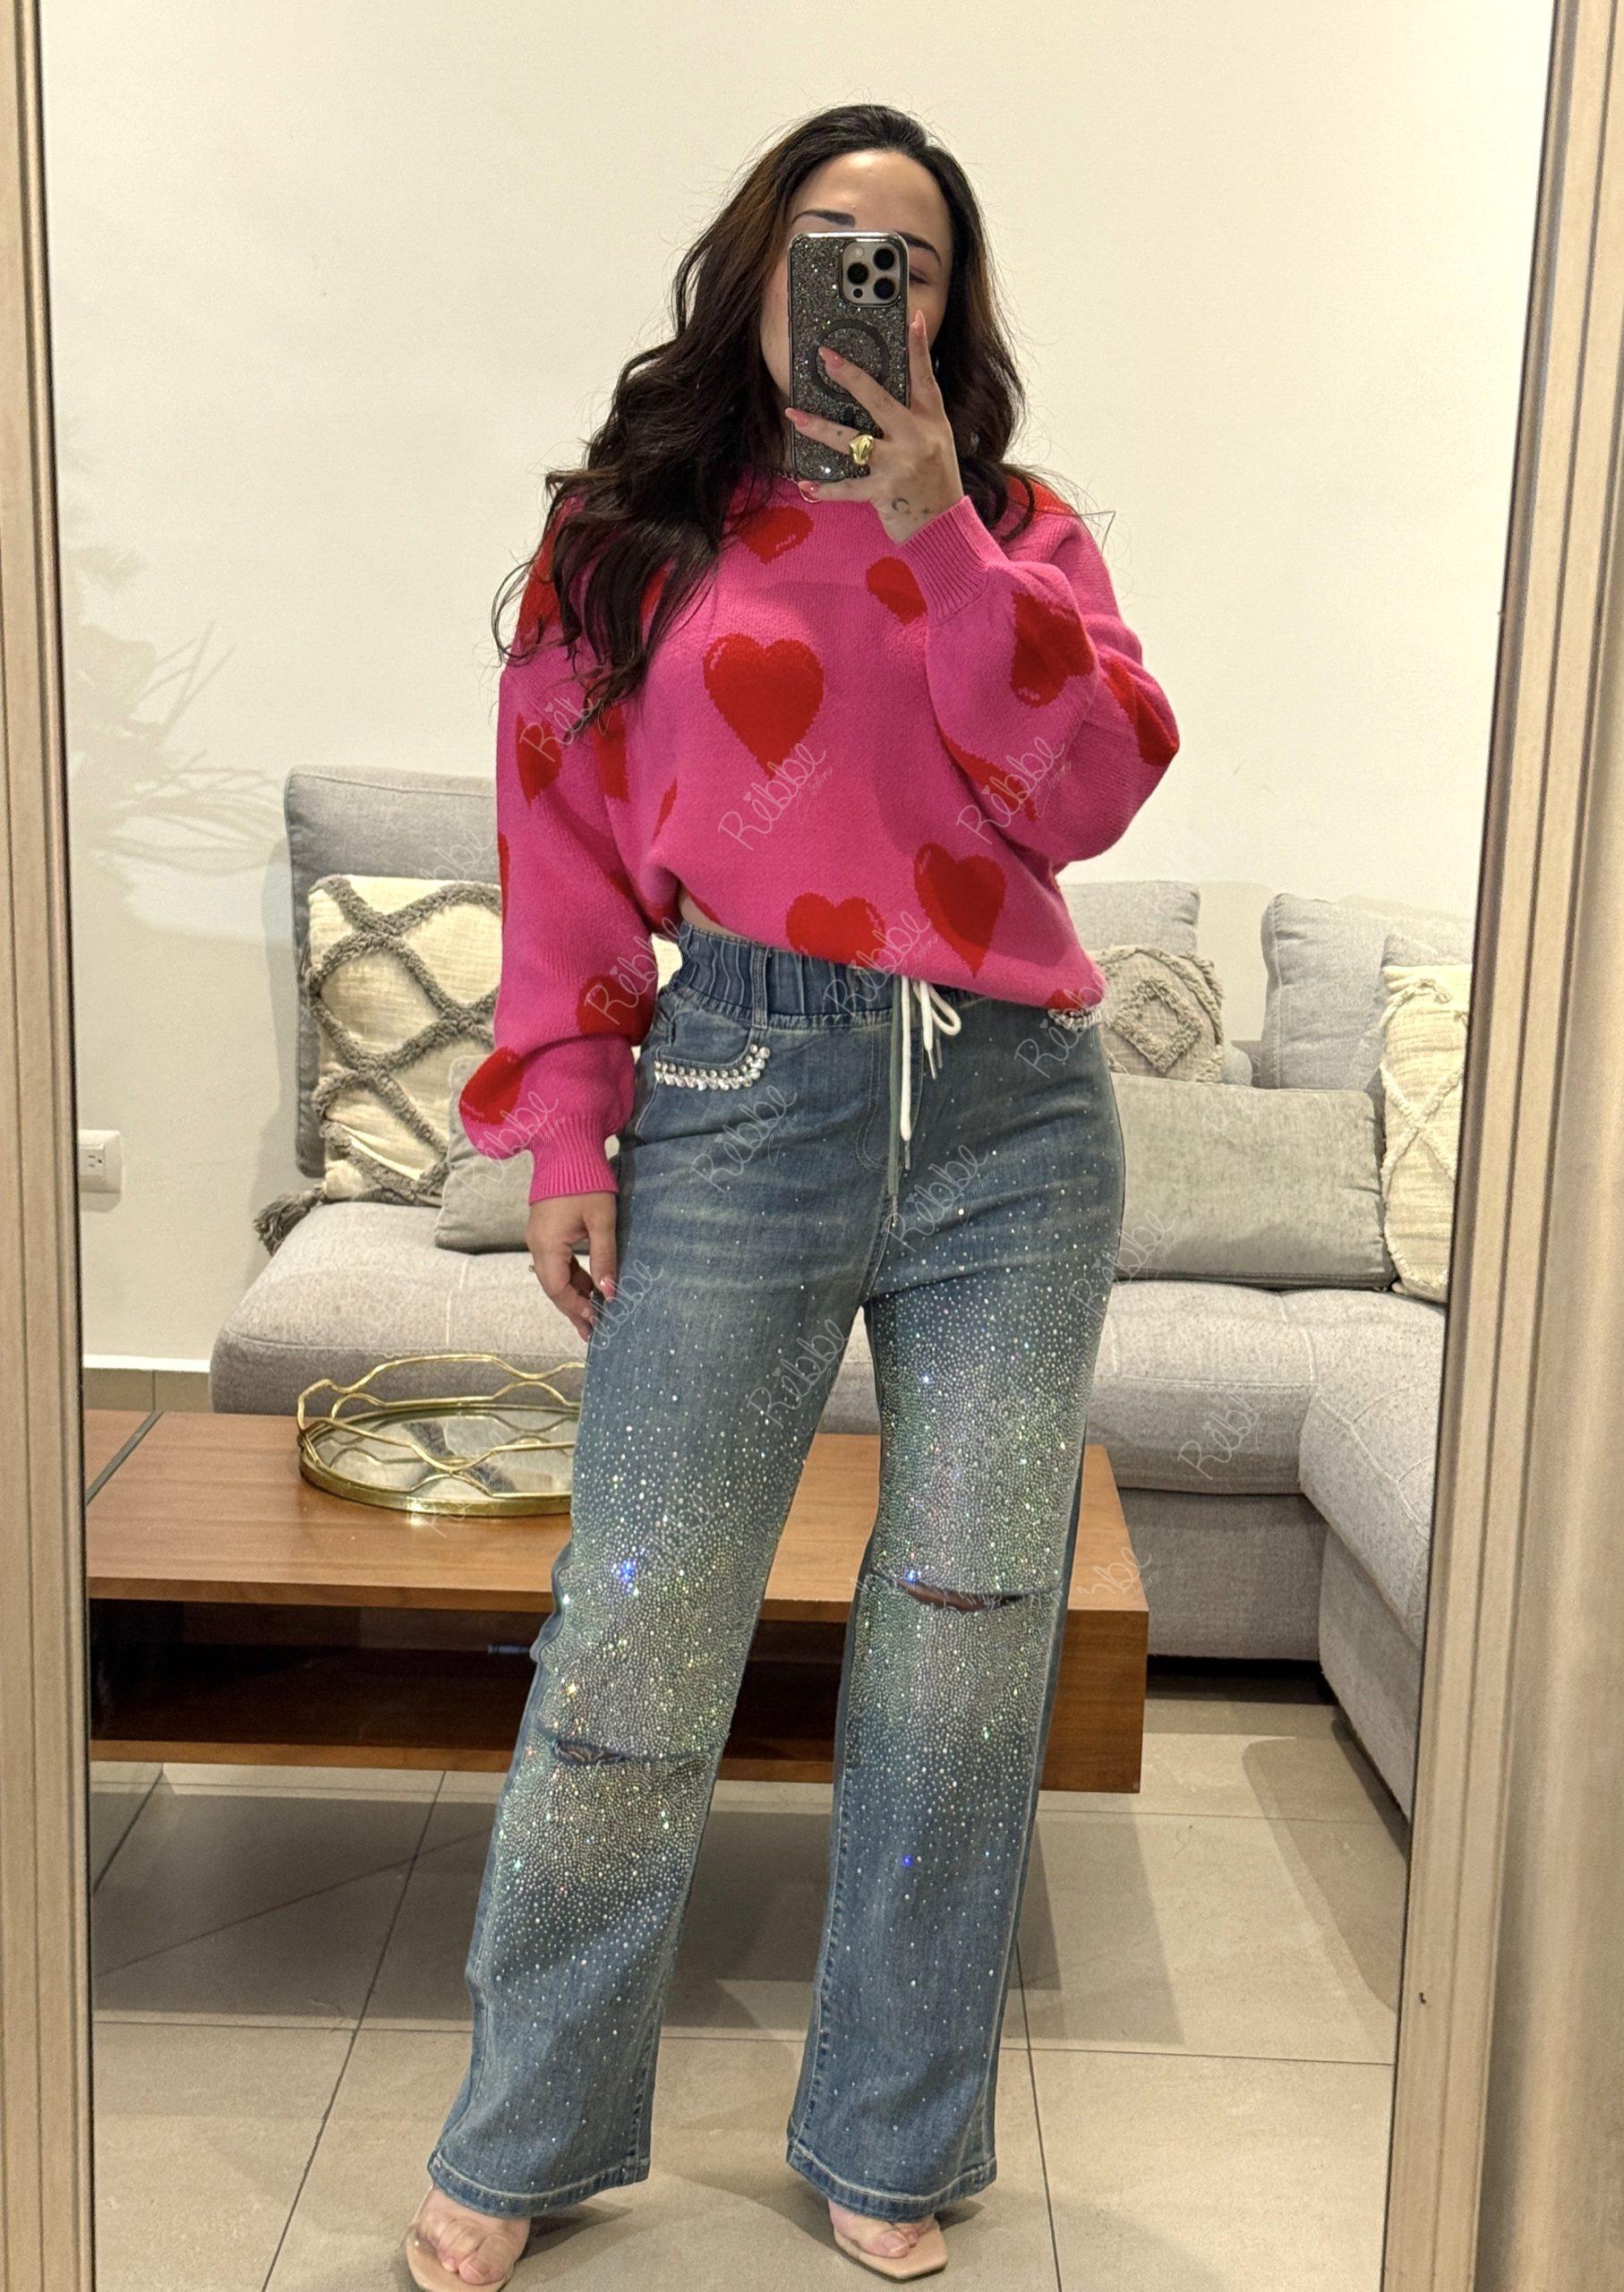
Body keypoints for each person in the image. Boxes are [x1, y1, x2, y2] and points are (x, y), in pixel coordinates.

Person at [404, 99, 1177, 2291]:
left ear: (949, 305)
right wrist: (571, 1126)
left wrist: (940, 535)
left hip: (1014, 1118)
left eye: (906, 259)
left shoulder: (1019, 532)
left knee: (966, 1646)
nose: (868, 283)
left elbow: (1086, 792)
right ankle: (528, 2125)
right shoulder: (624, 537)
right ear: (760, 272)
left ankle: (890, 2129)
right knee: (639, 1628)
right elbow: (559, 844)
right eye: (832, 245)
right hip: (740, 1083)